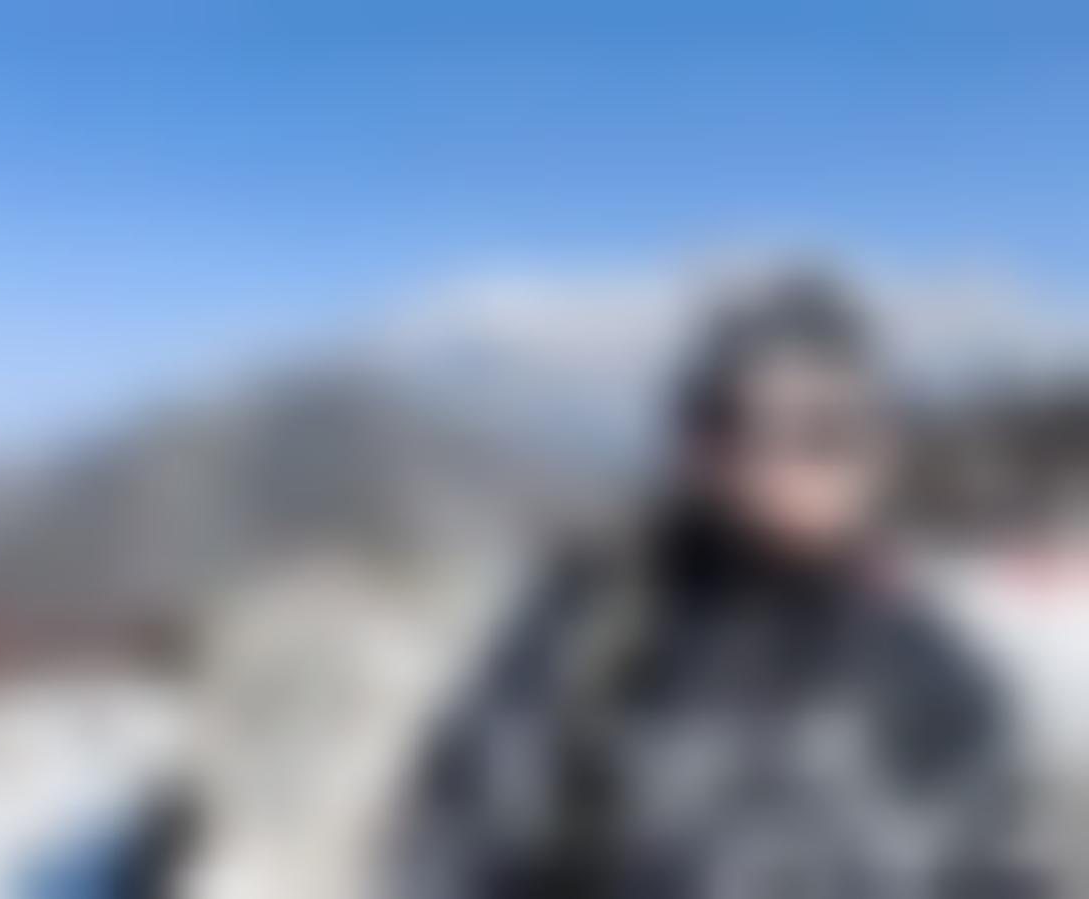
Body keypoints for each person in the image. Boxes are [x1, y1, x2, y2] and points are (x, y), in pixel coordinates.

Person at [389, 272, 1042, 898]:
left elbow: (991, 873)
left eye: (822, 430)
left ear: (880, 447)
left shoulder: (935, 680)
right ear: (691, 441)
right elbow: (451, 852)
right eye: (731, 421)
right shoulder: (586, 633)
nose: (772, 462)